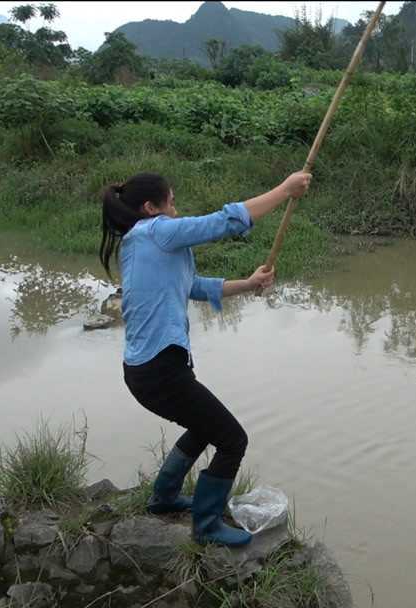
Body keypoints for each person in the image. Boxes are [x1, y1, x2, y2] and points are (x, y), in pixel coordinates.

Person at [99, 171, 311, 546]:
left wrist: (247, 284)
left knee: (204, 427)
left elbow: (193, 286)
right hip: (161, 369)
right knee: (232, 440)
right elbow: (223, 221)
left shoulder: (140, 244)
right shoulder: (156, 232)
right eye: (171, 202)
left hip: (148, 369)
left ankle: (163, 498)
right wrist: (284, 189)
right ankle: (207, 525)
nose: (176, 210)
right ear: (151, 208)